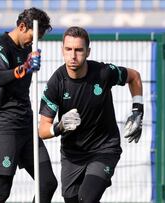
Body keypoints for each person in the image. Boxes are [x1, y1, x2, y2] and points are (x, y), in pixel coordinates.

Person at [38, 26, 144, 203]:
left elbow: (134, 77)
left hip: (104, 149)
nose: (73, 55)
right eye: (68, 49)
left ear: (88, 51)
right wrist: (60, 126)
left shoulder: (103, 73)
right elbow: (42, 130)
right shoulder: (56, 83)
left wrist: (137, 110)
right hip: (72, 155)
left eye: (79, 50)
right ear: (62, 50)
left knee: (86, 199)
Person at [0, 7, 58, 203]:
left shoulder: (28, 49)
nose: (34, 43)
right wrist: (24, 68)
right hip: (4, 127)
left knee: (47, 183)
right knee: (1, 191)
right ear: (22, 26)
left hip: (26, 127)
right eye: (33, 37)